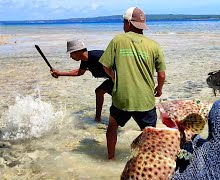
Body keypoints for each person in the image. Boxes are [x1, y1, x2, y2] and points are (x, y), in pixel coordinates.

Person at [99, 7, 166, 160]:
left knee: (112, 127)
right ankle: (149, 164)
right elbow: (161, 74)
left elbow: (105, 65)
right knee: (150, 135)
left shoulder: (118, 40)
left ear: (128, 23)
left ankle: (110, 158)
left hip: (122, 98)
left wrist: (115, 78)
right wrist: (159, 89)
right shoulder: (154, 45)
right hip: (145, 100)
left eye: (124, 21)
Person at [51, 40, 114, 122]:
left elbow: (118, 64)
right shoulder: (85, 61)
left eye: (71, 53)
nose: (70, 56)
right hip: (112, 79)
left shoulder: (98, 56)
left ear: (78, 51)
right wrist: (60, 73)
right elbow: (79, 72)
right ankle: (97, 118)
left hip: (120, 79)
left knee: (123, 105)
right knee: (99, 91)